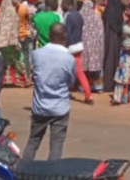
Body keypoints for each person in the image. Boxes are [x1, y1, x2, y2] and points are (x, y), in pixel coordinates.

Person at [22, 24, 75, 161]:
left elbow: (33, 75)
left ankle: (23, 171)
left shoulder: (37, 54)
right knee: (56, 146)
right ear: (64, 36)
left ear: (50, 36)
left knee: (33, 142)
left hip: (40, 107)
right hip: (60, 108)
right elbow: (70, 81)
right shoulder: (69, 59)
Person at [62, 0, 93, 104]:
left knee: (64, 71)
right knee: (80, 73)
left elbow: (67, 33)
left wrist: (64, 46)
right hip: (79, 46)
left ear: (67, 4)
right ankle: (88, 95)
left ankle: (61, 92)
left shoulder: (68, 16)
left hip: (70, 47)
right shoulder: (79, 15)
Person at [0, 0, 27, 87]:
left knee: (4, 61)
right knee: (18, 60)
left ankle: (3, 80)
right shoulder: (12, 12)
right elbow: (13, 28)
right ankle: (22, 80)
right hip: (11, 42)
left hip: (1, 43)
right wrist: (16, 42)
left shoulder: (1, 12)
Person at [81, 0, 105, 93]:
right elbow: (101, 33)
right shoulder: (97, 18)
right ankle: (97, 86)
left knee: (84, 65)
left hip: (83, 45)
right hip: (95, 46)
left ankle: (84, 86)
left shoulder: (80, 17)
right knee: (95, 64)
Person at [102, 0, 124, 92]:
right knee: (115, 60)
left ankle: (107, 84)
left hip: (108, 40)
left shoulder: (107, 14)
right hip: (118, 41)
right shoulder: (120, 14)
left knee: (108, 61)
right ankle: (116, 83)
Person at [17, 0, 33, 78]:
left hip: (17, 35)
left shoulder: (13, 8)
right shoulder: (24, 8)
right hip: (25, 34)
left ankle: (21, 75)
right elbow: (29, 20)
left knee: (19, 56)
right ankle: (28, 74)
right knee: (27, 55)